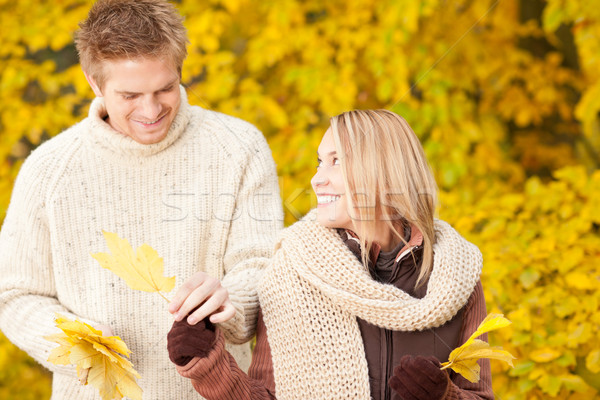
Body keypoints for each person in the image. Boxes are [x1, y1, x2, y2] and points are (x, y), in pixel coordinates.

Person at [0, 0, 282, 398]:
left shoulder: (239, 148)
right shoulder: (48, 170)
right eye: (130, 95)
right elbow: (14, 295)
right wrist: (72, 343)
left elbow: (264, 269)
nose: (151, 110)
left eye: (165, 88)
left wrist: (227, 300)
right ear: (93, 82)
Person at [167, 109, 495, 400]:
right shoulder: (293, 271)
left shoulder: (456, 277)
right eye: (319, 162)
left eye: (336, 161)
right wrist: (209, 366)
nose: (316, 178)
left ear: (386, 171)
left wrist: (445, 396)